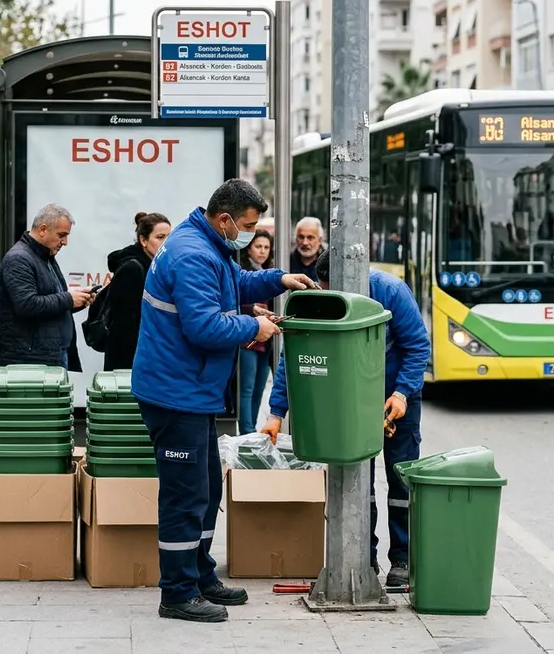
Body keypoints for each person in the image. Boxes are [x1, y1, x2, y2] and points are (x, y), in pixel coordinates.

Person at [130, 179, 316, 623]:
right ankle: (176, 593)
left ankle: (199, 574)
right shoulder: (194, 254)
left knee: (208, 486)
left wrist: (277, 280)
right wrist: (257, 329)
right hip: (175, 394)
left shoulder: (207, 244)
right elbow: (204, 327)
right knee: (184, 495)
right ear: (226, 218)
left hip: (191, 392)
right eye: (248, 226)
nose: (251, 234)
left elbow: (234, 284)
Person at [262, 247, 430, 588]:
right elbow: (294, 357)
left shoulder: (390, 292)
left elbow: (417, 347)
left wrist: (401, 393)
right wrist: (277, 412)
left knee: (400, 480)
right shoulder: (319, 299)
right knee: (355, 479)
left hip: (395, 398)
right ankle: (361, 557)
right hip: (347, 402)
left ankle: (402, 559)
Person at [0, 204, 94, 368]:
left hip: (49, 352)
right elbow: (27, 305)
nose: (65, 242)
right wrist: (68, 299)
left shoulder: (45, 255)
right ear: (43, 229)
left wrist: (78, 299)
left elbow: (51, 302)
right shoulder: (19, 259)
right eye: (61, 235)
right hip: (32, 358)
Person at [102, 212, 171, 371]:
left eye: (169, 237)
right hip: (131, 362)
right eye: (160, 237)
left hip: (150, 357)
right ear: (143, 240)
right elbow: (124, 326)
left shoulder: (157, 267)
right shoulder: (133, 269)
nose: (166, 243)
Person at [237, 229, 276, 434]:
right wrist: (250, 310)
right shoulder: (242, 272)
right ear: (248, 249)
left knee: (260, 387)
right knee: (247, 387)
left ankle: (251, 429)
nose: (262, 251)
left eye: (266, 247)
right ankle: (247, 431)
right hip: (247, 337)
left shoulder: (268, 271)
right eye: (258, 246)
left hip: (266, 339)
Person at [289, 216, 326, 280]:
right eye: (301, 237)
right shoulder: (287, 261)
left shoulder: (328, 264)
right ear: (295, 239)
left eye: (310, 237)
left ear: (320, 240)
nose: (305, 243)